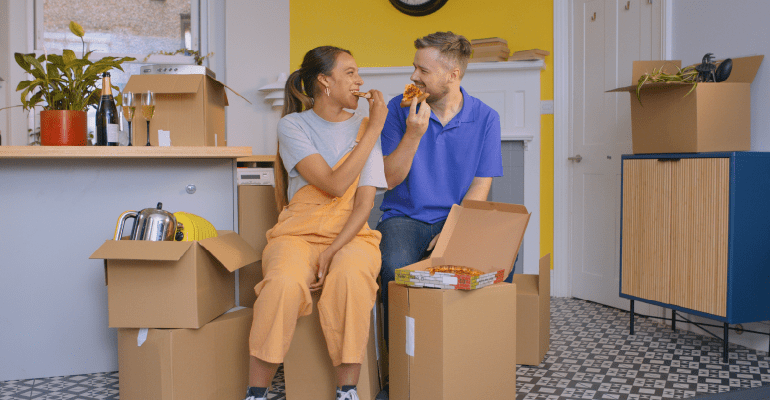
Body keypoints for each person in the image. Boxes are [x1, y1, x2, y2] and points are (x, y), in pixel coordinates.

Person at [244, 46, 388, 400]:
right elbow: (334, 184)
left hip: (353, 234)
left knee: (351, 277)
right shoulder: (292, 126)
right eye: (351, 72)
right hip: (298, 233)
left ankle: (347, 391)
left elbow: (364, 203)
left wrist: (334, 250)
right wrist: (375, 129)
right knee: (281, 284)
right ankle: (255, 394)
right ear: (325, 80)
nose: (360, 80)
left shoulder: (367, 126)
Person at [374, 32, 503, 399]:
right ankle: (399, 373)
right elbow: (387, 179)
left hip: (457, 218)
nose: (413, 76)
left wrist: (453, 231)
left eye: (422, 70)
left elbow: (481, 184)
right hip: (404, 216)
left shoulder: (486, 118)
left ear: (453, 75)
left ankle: (463, 366)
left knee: (482, 273)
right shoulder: (401, 111)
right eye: (414, 67)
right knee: (396, 269)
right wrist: (413, 133)